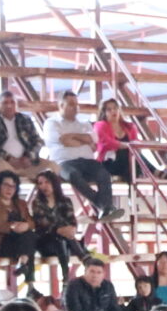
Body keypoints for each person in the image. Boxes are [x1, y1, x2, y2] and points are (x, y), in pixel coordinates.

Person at [51, 89, 121, 220]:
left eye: (76, 104)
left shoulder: (84, 124)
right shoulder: (52, 123)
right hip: (64, 162)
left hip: (87, 161)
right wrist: (83, 140)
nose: (75, 107)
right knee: (73, 175)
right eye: (71, 104)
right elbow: (63, 140)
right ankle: (104, 205)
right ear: (61, 105)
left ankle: (104, 206)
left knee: (103, 174)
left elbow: (93, 141)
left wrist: (72, 137)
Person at [0, 91, 43, 181]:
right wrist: (8, 158)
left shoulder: (25, 119)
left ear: (16, 104)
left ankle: (25, 175)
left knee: (52, 167)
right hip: (2, 161)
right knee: (2, 168)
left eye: (12, 102)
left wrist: (29, 156)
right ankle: (21, 176)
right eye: (5, 103)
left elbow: (38, 141)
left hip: (26, 161)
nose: (9, 106)